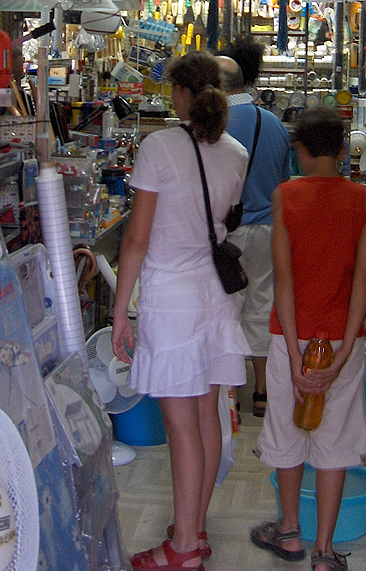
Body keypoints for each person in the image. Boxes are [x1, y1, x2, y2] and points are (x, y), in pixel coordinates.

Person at [112, 52, 249, 571]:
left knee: (181, 427)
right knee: (207, 415)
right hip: (216, 298)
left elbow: (137, 240)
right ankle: (196, 528)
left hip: (171, 300)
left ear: (180, 93)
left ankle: (184, 548)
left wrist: (121, 311)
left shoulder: (158, 147)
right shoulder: (235, 153)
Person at [250, 106, 366, 571]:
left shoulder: (285, 196)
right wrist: (341, 355)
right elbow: (362, 281)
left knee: (287, 434)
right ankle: (324, 551)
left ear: (300, 151)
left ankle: (288, 532)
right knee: (335, 442)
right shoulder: (363, 200)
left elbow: (282, 278)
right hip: (345, 340)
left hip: (292, 336)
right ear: (344, 152)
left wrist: (292, 354)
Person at [216, 39, 292, 417]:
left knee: (226, 308)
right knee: (262, 307)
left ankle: (229, 392)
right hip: (267, 232)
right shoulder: (274, 123)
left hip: (225, 235)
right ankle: (262, 393)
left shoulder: (214, 125)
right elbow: (284, 183)